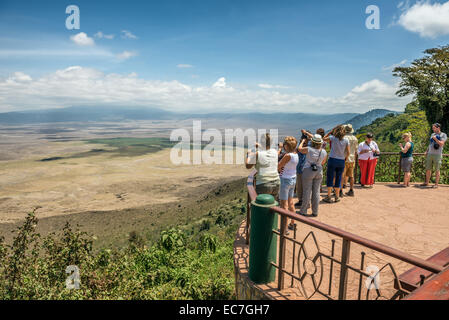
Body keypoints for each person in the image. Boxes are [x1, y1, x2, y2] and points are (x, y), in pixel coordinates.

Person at [298, 134, 327, 217]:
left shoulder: (308, 149)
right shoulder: (324, 151)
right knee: (316, 191)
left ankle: (303, 210)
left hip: (308, 170)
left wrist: (303, 141)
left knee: (307, 191)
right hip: (319, 170)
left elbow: (299, 149)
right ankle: (315, 211)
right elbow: (323, 162)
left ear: (313, 142)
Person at [245, 133, 280, 198]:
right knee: (272, 206)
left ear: (261, 142)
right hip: (276, 183)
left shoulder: (258, 154)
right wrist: (259, 146)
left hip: (263, 184)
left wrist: (248, 155)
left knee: (261, 206)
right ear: (271, 143)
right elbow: (267, 150)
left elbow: (248, 166)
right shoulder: (275, 152)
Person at [323, 125, 350, 203]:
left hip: (332, 160)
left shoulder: (333, 138)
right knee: (339, 178)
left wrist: (330, 132)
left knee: (330, 177)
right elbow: (348, 152)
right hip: (341, 161)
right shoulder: (346, 140)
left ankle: (328, 196)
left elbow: (323, 139)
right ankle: (337, 197)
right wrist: (345, 158)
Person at [278, 136, 299, 232]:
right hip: (293, 179)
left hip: (285, 180)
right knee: (291, 203)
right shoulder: (296, 155)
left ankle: (284, 228)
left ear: (286, 146)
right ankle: (292, 223)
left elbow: (279, 166)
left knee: (284, 205)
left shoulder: (287, 156)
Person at [421, 123, 447, 188]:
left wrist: (436, 139)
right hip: (430, 154)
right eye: (433, 128)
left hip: (437, 154)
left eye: (434, 128)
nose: (433, 129)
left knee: (437, 170)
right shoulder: (432, 134)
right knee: (428, 169)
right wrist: (426, 151)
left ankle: (436, 184)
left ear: (438, 128)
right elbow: (430, 144)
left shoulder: (443, 135)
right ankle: (426, 182)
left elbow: (441, 144)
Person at [342, 124, 359, 197]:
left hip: (344, 158)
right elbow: (356, 150)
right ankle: (351, 190)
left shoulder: (344, 138)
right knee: (351, 176)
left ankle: (340, 191)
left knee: (342, 175)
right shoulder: (355, 138)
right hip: (352, 159)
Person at [295, 131, 310, 208]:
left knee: (305, 187)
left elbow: (298, 149)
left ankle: (306, 202)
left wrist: (306, 134)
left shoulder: (309, 148)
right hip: (300, 169)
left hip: (305, 170)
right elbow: (297, 149)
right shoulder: (301, 147)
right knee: (300, 187)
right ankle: (301, 200)